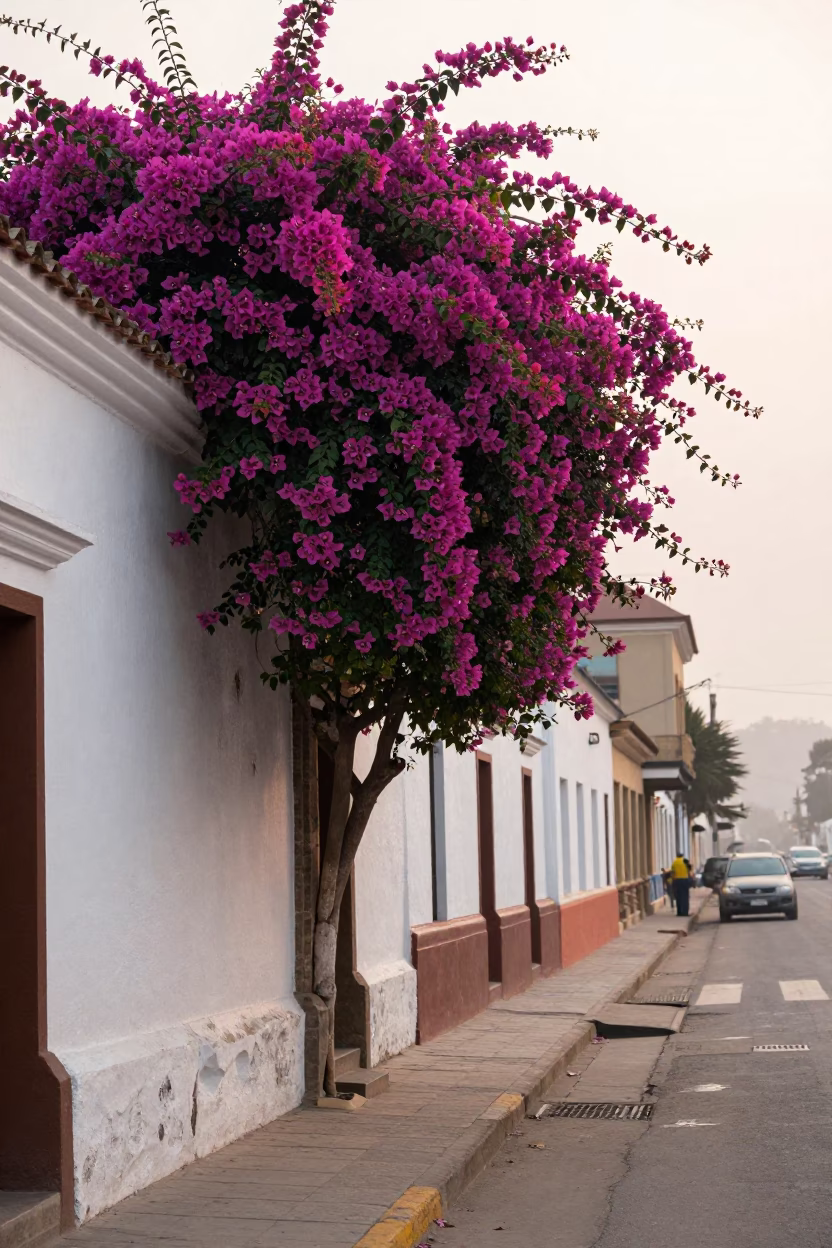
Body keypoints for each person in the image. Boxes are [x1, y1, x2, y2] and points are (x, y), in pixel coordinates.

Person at [671, 853, 693, 917]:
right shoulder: (685, 861)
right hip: (685, 880)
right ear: (682, 856)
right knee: (685, 897)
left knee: (678, 897)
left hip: (677, 880)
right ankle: (685, 912)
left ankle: (679, 912)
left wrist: (673, 880)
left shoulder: (674, 862)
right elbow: (689, 870)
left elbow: (673, 872)